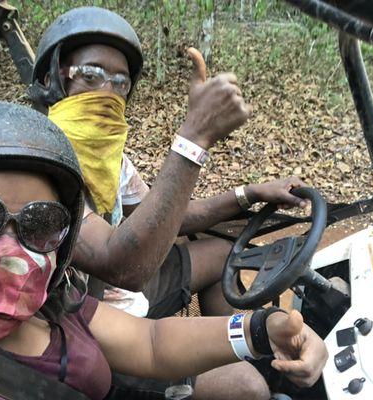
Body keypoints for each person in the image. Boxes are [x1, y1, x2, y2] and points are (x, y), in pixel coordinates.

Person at [0, 101, 327, 400]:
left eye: (40, 223)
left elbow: (152, 343)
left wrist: (262, 329)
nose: (9, 247)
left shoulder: (53, 305)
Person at [30, 6, 310, 398]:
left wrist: (249, 193)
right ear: (52, 79)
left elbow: (164, 218)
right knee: (248, 389)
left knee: (223, 255)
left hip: (129, 296)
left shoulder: (109, 157)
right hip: (91, 325)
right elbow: (124, 267)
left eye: (119, 82)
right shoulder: (37, 162)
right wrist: (194, 138)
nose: (106, 93)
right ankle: (226, 367)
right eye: (90, 76)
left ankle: (234, 349)